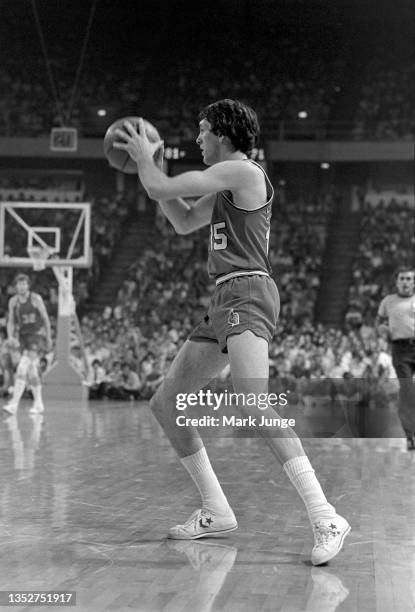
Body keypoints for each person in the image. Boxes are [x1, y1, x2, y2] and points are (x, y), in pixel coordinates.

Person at [113, 99, 350, 565]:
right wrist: (153, 170)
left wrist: (148, 162)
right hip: (223, 298)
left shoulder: (245, 172)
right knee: (165, 403)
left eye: (202, 130)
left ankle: (326, 516)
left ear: (223, 133)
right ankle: (216, 510)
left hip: (249, 291)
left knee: (254, 401)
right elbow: (181, 220)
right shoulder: (222, 189)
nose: (197, 139)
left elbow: (161, 186)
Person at [376, 266, 415, 450]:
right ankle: (410, 436)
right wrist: (382, 330)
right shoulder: (388, 301)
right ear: (397, 281)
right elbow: (380, 322)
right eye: (402, 279)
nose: (406, 282)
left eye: (409, 278)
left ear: (413, 282)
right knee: (407, 393)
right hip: (401, 351)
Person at [3, 274, 52, 415]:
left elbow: (45, 318)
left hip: (37, 335)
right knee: (32, 371)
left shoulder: (36, 299)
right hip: (23, 337)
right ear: (15, 286)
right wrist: (11, 336)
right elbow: (11, 321)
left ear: (28, 285)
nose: (21, 286)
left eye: (24, 284)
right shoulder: (13, 301)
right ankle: (39, 403)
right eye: (19, 284)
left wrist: (48, 337)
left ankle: (13, 404)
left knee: (22, 367)